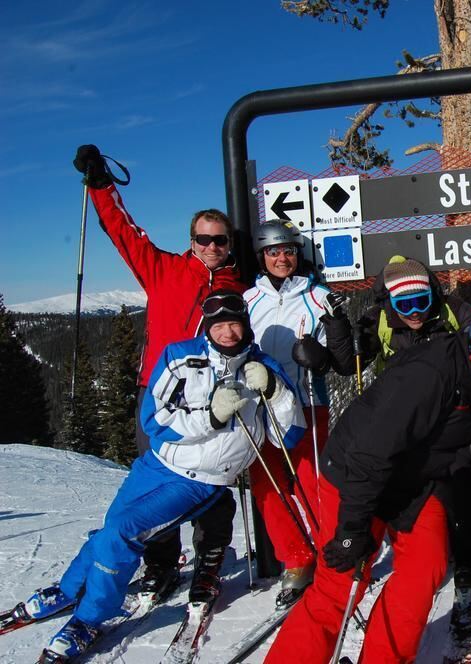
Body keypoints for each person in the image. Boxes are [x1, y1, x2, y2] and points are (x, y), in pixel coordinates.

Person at [22, 290, 304, 662]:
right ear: (208, 325)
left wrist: (276, 390)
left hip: (201, 478)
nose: (228, 332)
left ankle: (88, 619)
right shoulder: (180, 357)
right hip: (157, 464)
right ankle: (73, 585)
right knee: (112, 528)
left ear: (246, 325)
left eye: (235, 323)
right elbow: (153, 419)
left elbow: (287, 435)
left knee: (123, 531)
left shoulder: (263, 368)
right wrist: (211, 417)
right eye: (219, 324)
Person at [264, 293, 471, 663]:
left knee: (424, 567)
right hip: (356, 476)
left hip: (412, 481)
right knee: (341, 584)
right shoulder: (430, 374)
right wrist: (352, 531)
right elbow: (369, 453)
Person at [72, 145, 244, 599]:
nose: (211, 247)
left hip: (216, 396)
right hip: (159, 393)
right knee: (157, 479)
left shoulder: (239, 284)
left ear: (229, 244)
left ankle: (210, 557)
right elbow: (122, 231)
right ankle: (162, 562)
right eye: (203, 240)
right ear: (191, 241)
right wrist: (100, 183)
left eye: (219, 240)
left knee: (213, 479)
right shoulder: (163, 269)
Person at [243, 219, 339, 607]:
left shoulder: (318, 296)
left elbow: (344, 353)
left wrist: (321, 358)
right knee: (267, 484)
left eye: (288, 252)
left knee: (313, 482)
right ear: (262, 257)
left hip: (306, 403)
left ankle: (334, 552)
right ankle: (297, 558)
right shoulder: (249, 300)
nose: (282, 258)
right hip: (260, 407)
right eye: (273, 252)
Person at [326, 255, 471, 376]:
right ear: (392, 303)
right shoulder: (380, 320)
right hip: (399, 401)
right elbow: (348, 366)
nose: (415, 312)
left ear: (431, 297)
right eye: (405, 306)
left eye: (421, 302)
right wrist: (336, 323)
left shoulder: (451, 310)